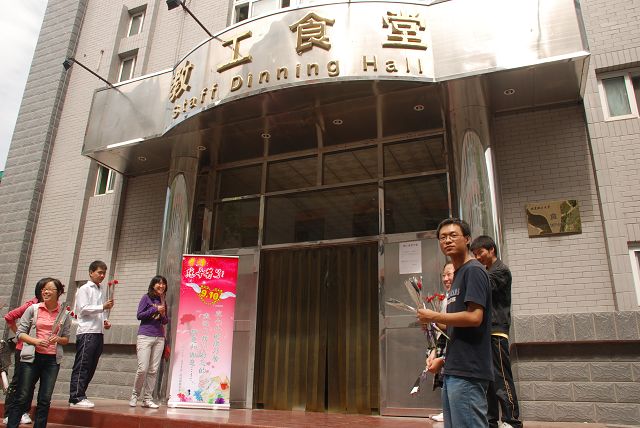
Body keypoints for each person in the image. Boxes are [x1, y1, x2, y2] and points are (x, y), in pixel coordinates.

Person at [417, 218, 492, 428]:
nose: (447, 240)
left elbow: (474, 317)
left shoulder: (473, 270)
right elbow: (454, 326)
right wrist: (431, 324)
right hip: (453, 368)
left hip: (469, 369)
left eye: (453, 235)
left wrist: (434, 317)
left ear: (467, 239)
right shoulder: (458, 274)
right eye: (442, 237)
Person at [471, 235, 522, 428]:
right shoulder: (487, 271)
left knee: (501, 377)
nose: (478, 257)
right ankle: (491, 421)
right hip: (485, 332)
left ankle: (512, 421)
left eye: (480, 253)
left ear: (491, 249)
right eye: (475, 254)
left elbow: (483, 287)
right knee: (489, 379)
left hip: (497, 331)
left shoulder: (500, 271)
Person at [6, 278, 71, 428]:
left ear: (58, 293)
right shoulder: (33, 309)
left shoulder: (64, 314)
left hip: (52, 361)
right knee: (22, 396)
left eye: (49, 289)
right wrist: (35, 341)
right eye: (44, 289)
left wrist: (58, 339)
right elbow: (20, 333)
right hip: (31, 358)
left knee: (45, 399)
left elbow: (66, 339)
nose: (45, 292)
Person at [68, 260, 114, 408]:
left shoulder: (101, 289)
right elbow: (83, 309)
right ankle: (75, 397)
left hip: (98, 332)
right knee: (82, 365)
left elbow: (100, 311)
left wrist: (105, 321)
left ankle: (81, 394)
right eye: (99, 272)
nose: (102, 275)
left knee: (92, 365)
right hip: (87, 332)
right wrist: (102, 306)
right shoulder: (84, 288)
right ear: (91, 272)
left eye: (104, 273)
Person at [2, 279, 47, 425]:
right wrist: (19, 335)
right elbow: (9, 317)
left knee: (31, 382)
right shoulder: (31, 305)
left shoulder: (50, 307)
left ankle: (24, 412)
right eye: (46, 289)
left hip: (38, 350)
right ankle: (9, 413)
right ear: (40, 291)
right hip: (23, 349)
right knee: (17, 381)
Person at [129, 275, 168, 409]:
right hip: (145, 336)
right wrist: (155, 309)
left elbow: (165, 321)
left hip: (159, 338)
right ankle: (135, 395)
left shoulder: (163, 300)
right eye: (159, 283)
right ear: (153, 285)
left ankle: (147, 399)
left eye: (163, 284)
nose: (161, 286)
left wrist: (163, 314)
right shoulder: (146, 298)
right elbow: (139, 315)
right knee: (143, 369)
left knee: (153, 370)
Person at [429, 261, 454, 423]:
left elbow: (451, 324)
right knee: (444, 378)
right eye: (443, 275)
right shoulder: (445, 298)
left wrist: (434, 319)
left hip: (455, 343)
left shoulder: (457, 297)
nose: (445, 279)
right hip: (444, 341)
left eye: (449, 274)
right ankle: (447, 411)